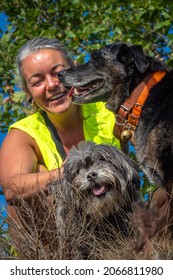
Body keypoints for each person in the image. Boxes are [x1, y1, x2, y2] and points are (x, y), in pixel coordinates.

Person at [0, 38, 121, 234]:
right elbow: (12, 189)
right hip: (56, 239)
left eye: (58, 73)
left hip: (116, 221)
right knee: (35, 180)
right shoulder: (23, 134)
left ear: (75, 71)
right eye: (37, 81)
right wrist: (64, 173)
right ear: (28, 92)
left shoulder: (110, 110)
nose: (51, 85)